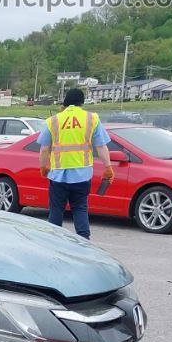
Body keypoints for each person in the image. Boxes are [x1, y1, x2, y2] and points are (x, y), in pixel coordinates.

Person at [37, 88, 112, 239]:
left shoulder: (53, 120)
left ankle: (53, 242)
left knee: (56, 210)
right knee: (80, 208)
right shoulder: (91, 118)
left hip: (58, 175)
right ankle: (84, 242)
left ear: (65, 102)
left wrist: (43, 167)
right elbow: (101, 146)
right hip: (82, 174)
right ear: (81, 103)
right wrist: (108, 167)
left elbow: (44, 149)